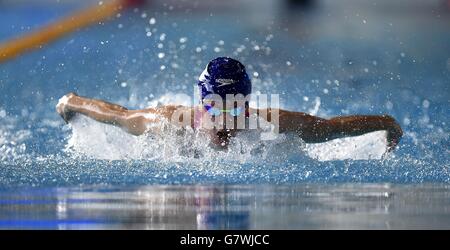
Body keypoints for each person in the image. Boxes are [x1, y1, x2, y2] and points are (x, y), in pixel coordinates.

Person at [56, 57, 402, 151]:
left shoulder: (268, 124)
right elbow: (119, 115)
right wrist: (73, 102)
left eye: (234, 108)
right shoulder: (169, 124)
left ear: (247, 105)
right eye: (214, 109)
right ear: (200, 104)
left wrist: (386, 122)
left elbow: (328, 128)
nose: (224, 120)